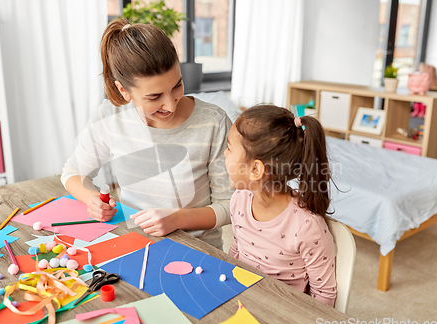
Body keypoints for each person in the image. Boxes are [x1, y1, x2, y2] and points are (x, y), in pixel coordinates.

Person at [61, 18, 232, 250]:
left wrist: (178, 219)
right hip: (133, 245)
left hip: (198, 252)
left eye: (177, 86)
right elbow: (73, 173)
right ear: (123, 90)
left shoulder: (213, 122)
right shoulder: (111, 117)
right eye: (154, 97)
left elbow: (232, 205)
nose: (170, 105)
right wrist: (91, 199)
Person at [225, 105, 337, 306]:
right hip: (240, 300)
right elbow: (236, 252)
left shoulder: (306, 226)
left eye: (229, 148)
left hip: (282, 313)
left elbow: (324, 296)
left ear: (255, 169)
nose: (225, 154)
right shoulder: (239, 199)